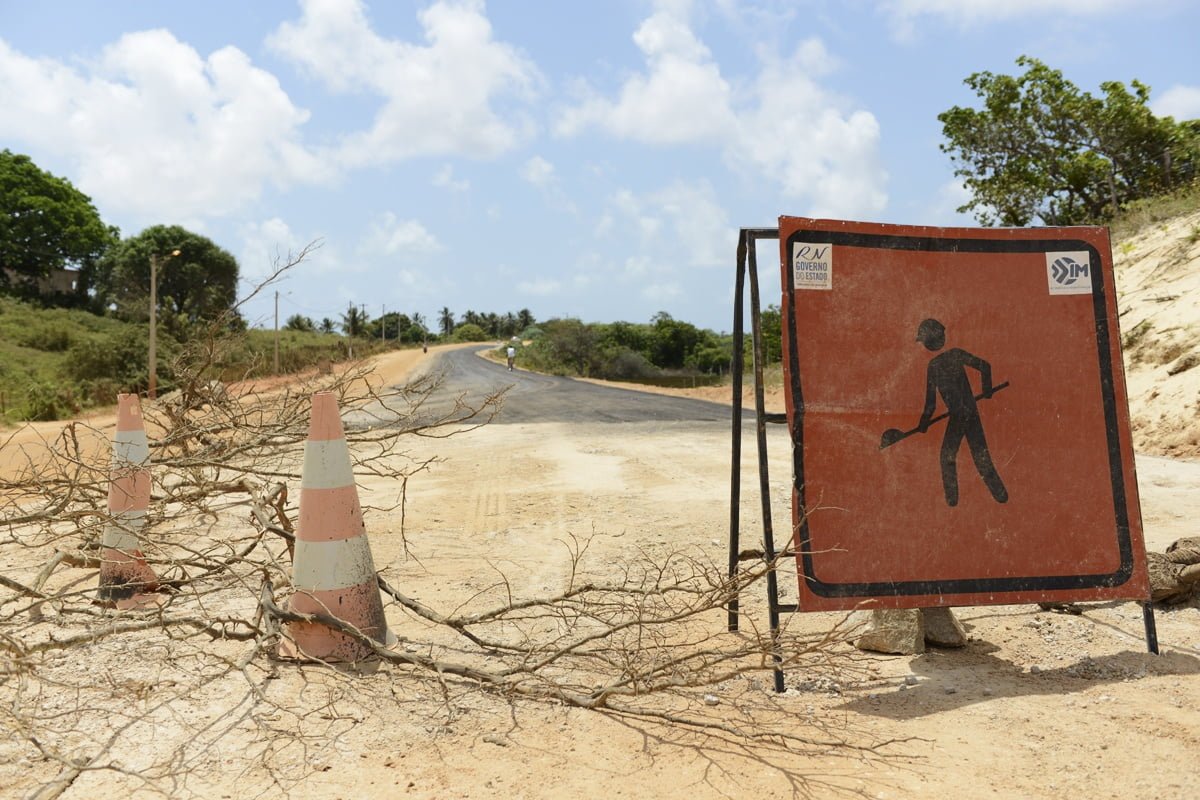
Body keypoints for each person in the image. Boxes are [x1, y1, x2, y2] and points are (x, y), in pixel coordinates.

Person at [915, 318, 1008, 507]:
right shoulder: (953, 355)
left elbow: (930, 405)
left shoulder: (933, 366)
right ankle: (1000, 495)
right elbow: (985, 366)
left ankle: (952, 499)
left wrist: (923, 423)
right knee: (980, 455)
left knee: (950, 456)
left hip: (959, 415)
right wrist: (987, 390)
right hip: (968, 412)